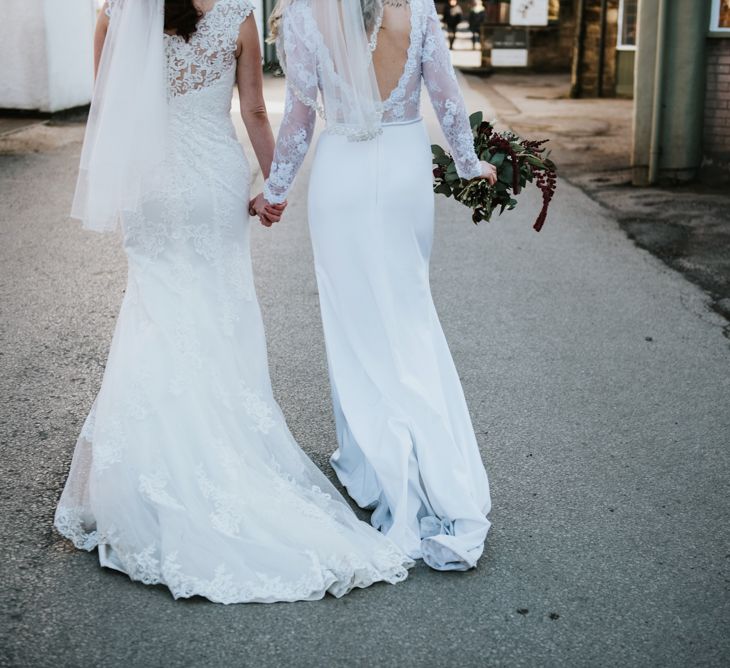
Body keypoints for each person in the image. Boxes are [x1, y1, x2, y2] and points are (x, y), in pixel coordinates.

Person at [54, 0, 411, 604]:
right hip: (213, 182)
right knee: (218, 311)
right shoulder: (238, 17)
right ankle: (220, 450)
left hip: (149, 184)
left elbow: (107, 108)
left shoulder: (114, 14)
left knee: (155, 308)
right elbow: (252, 111)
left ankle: (146, 472)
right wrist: (274, 187)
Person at [253, 0, 496, 571]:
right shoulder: (418, 9)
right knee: (408, 316)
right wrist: (468, 162)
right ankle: (431, 467)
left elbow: (300, 117)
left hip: (342, 171)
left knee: (354, 321)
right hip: (407, 167)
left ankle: (370, 461)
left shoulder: (309, 14)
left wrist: (277, 189)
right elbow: (444, 94)